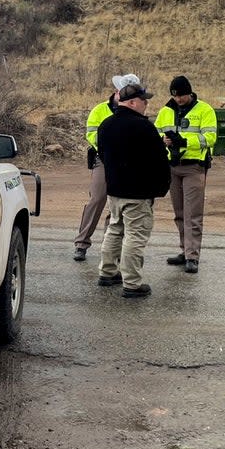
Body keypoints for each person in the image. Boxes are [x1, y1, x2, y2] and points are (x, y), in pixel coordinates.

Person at [95, 81, 171, 298]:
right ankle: (132, 283)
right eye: (144, 100)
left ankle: (107, 272)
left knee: (115, 229)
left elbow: (102, 154)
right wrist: (162, 186)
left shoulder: (106, 125)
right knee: (135, 236)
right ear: (133, 102)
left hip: (115, 189)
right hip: (138, 192)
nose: (146, 103)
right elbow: (159, 159)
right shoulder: (143, 127)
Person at [72, 73, 140, 262]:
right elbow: (91, 134)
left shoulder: (135, 111)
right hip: (104, 158)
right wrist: (111, 147)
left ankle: (110, 247)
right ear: (116, 91)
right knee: (97, 198)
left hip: (126, 162)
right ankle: (82, 242)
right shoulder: (100, 110)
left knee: (117, 204)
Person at [154, 75, 217, 274]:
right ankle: (185, 250)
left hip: (194, 166)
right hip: (172, 166)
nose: (179, 99)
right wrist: (163, 141)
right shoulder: (165, 111)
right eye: (175, 95)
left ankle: (192, 256)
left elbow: (210, 138)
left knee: (193, 213)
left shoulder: (204, 110)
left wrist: (184, 141)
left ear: (190, 92)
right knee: (180, 213)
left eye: (182, 95)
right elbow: (155, 133)